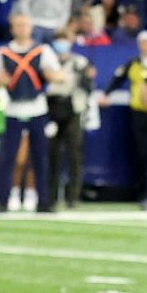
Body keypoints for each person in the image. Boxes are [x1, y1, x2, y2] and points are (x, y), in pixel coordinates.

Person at [0, 13, 64, 214]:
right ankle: (3, 200)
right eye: (18, 25)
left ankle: (44, 200)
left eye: (25, 25)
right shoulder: (3, 52)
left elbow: (59, 75)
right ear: (12, 29)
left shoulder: (42, 50)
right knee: (8, 157)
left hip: (37, 107)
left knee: (40, 157)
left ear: (31, 28)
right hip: (13, 108)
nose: (21, 29)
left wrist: (50, 75)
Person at [111, 32, 147, 201]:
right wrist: (106, 94)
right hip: (137, 111)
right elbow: (118, 79)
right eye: (141, 43)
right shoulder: (134, 62)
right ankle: (139, 190)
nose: (143, 46)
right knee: (139, 152)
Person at [53, 37, 95, 208]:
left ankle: (73, 197)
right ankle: (51, 195)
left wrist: (86, 75)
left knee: (74, 154)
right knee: (52, 154)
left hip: (74, 108)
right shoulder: (49, 61)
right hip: (53, 108)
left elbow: (88, 86)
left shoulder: (79, 62)